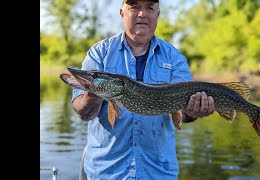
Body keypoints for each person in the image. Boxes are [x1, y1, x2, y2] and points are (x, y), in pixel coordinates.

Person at [72, 0, 215, 179]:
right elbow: (83, 113)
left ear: (157, 14)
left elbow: (183, 114)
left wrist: (193, 112)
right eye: (134, 6)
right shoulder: (99, 53)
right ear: (122, 13)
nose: (142, 14)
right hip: (107, 173)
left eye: (149, 7)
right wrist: (92, 92)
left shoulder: (175, 58)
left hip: (157, 173)